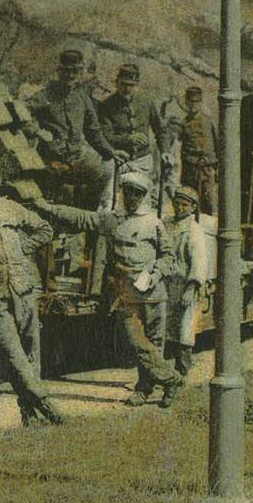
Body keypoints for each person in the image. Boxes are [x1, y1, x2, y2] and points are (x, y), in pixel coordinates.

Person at [36, 172, 184, 407]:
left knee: (154, 345)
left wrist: (154, 275)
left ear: (144, 196)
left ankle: (145, 389)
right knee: (137, 345)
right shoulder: (112, 220)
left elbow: (168, 255)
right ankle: (172, 379)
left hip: (154, 294)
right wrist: (48, 207)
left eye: (138, 193)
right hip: (126, 294)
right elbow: (82, 218)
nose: (132, 197)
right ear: (122, 193)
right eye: (128, 192)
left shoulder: (154, 223)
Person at [0, 151, 66, 427]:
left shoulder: (11, 208)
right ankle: (47, 405)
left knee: (32, 352)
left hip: (23, 288)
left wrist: (20, 247)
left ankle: (28, 414)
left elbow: (45, 230)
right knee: (13, 354)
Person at [26, 48, 114, 209]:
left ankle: (85, 218)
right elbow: (23, 112)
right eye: (66, 71)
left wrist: (110, 152)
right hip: (49, 160)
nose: (70, 76)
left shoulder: (82, 97)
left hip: (76, 159)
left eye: (75, 71)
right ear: (59, 71)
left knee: (103, 174)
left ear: (80, 73)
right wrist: (37, 131)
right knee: (47, 200)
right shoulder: (46, 95)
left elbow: (93, 130)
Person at [97, 63, 174, 209]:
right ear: (117, 82)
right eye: (123, 84)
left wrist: (165, 151)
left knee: (143, 202)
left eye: (131, 85)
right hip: (117, 160)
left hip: (142, 160)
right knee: (109, 201)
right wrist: (127, 139)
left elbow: (161, 129)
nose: (127, 88)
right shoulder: (106, 105)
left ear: (137, 84)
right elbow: (104, 136)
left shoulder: (146, 102)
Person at [164, 185, 217, 377]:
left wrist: (191, 287)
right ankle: (166, 376)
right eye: (177, 204)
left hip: (186, 287)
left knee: (184, 331)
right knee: (167, 329)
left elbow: (199, 261)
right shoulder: (167, 224)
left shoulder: (194, 231)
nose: (180, 208)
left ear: (193, 207)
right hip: (167, 285)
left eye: (184, 205)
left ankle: (182, 372)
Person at [178, 85, 220, 215]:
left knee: (209, 202)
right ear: (186, 102)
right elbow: (179, 145)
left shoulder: (209, 121)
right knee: (189, 201)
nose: (193, 105)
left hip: (207, 169)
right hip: (190, 169)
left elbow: (218, 144)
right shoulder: (183, 123)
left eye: (196, 101)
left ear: (201, 102)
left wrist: (215, 165)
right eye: (190, 101)